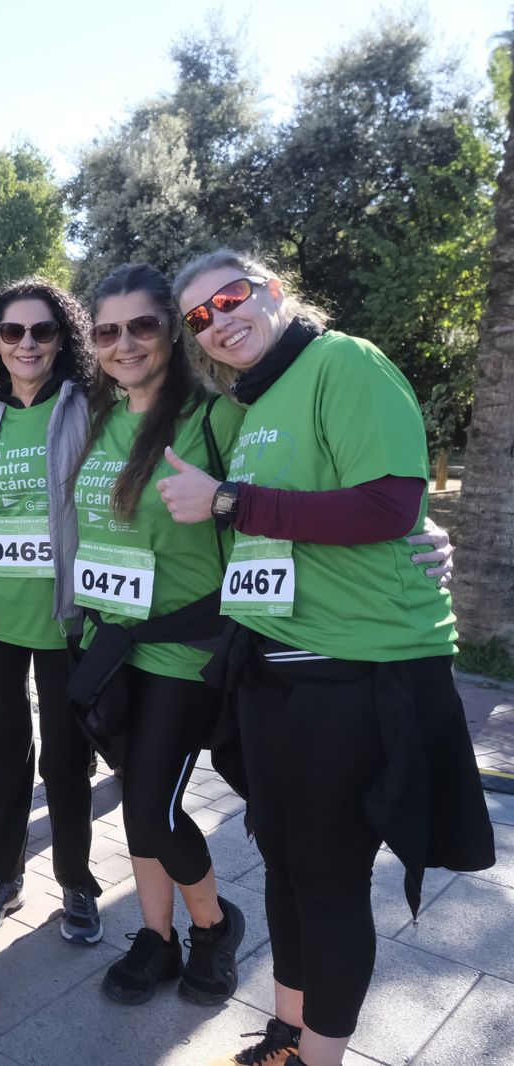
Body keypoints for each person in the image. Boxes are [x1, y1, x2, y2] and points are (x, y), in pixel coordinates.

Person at [164, 250, 493, 1066]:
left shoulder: (345, 360)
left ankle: (322, 1058)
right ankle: (286, 1032)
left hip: (358, 665)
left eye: (231, 298)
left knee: (328, 876)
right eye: (199, 318)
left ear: (273, 290)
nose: (219, 322)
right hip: (276, 660)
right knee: (281, 855)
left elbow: (389, 502)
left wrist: (230, 501)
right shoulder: (253, 403)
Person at [71, 264, 247, 1006]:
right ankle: (158, 936)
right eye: (107, 331)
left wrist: (418, 532)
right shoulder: (95, 421)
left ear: (171, 332)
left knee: (153, 807)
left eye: (142, 325)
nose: (125, 343)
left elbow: (287, 497)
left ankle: (212, 926)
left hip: (185, 648)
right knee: (136, 795)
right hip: (110, 650)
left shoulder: (216, 418)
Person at [0, 278, 104, 943]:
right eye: (11, 332)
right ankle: (4, 873)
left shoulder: (89, 407)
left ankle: (76, 881)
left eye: (41, 331)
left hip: (64, 615)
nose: (26, 344)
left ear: (62, 337)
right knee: (5, 752)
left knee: (67, 758)